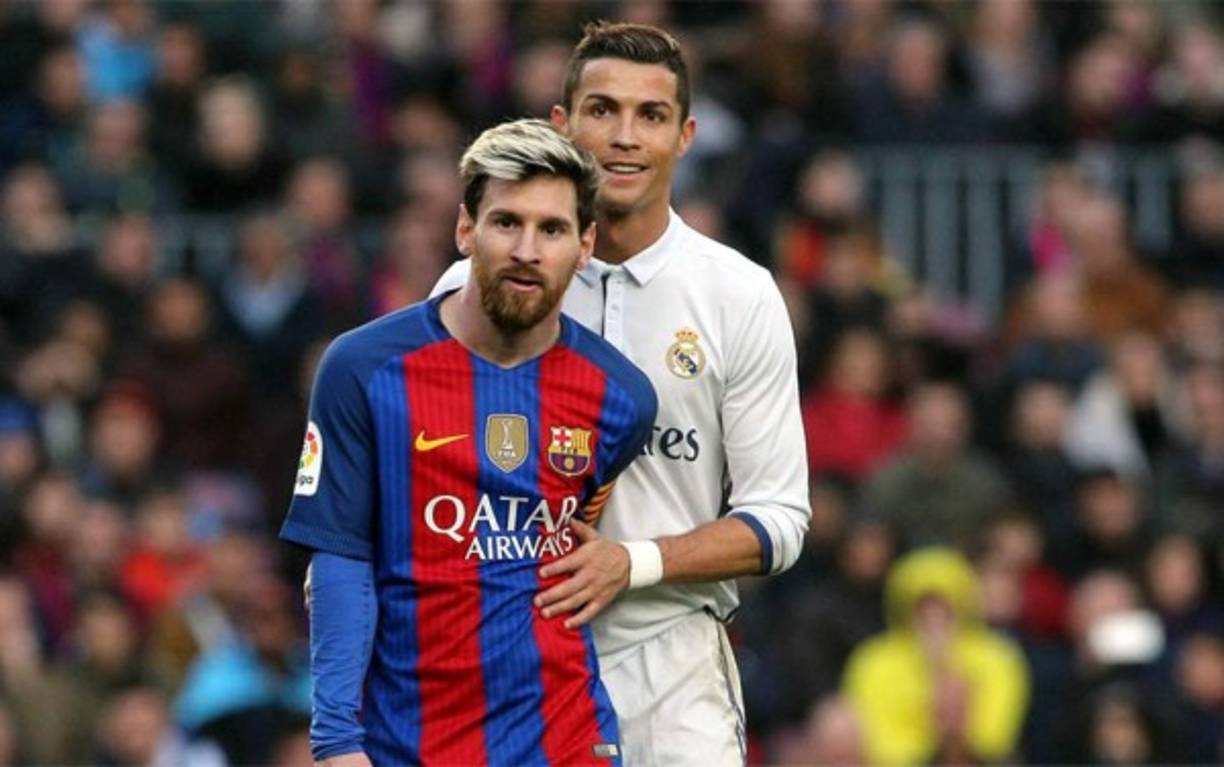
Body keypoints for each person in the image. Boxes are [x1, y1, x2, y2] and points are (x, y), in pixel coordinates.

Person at [432, 22, 810, 764]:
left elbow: (780, 520)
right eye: (602, 110)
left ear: (686, 135)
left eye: (651, 115)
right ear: (563, 127)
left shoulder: (738, 295)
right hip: (508, 658)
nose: (625, 136)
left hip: (670, 660)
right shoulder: (469, 289)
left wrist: (631, 561)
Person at [280, 119, 657, 765]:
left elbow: (575, 536)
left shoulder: (622, 396)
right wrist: (337, 741)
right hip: (407, 739)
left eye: (553, 229)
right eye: (506, 221)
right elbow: (340, 561)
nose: (527, 249)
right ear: (465, 229)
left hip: (566, 737)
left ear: (586, 243)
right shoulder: (362, 368)